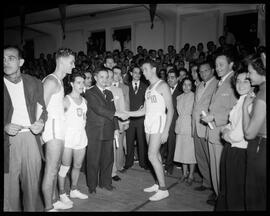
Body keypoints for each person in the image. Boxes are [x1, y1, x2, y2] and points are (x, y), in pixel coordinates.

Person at [4, 45, 47, 211]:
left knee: (32, 187)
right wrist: (5, 126)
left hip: (30, 138)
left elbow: (43, 109)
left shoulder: (34, 83)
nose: (5, 62)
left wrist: (41, 122)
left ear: (21, 61)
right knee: (9, 191)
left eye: (11, 58)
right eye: (3, 59)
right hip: (8, 142)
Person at [125, 59, 173, 201]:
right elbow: (144, 110)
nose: (142, 72)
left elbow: (170, 109)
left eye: (145, 69)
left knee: (151, 155)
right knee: (155, 154)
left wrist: (166, 130)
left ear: (153, 69)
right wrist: (127, 113)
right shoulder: (148, 88)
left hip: (159, 122)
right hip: (149, 122)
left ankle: (164, 189)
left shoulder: (162, 85)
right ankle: (158, 184)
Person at [201, 52, 238, 206]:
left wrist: (214, 117)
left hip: (222, 132)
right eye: (216, 65)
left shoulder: (234, 82)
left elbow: (235, 110)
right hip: (213, 132)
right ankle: (218, 196)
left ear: (231, 64)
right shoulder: (221, 81)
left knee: (221, 171)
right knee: (215, 170)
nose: (217, 68)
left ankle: (223, 199)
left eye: (221, 64)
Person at [215, 64, 253, 211]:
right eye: (238, 81)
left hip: (239, 152)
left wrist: (226, 134)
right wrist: (227, 131)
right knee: (226, 189)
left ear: (252, 83)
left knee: (235, 193)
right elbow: (230, 125)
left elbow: (238, 134)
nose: (241, 84)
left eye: (245, 81)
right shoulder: (241, 100)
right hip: (231, 149)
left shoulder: (249, 102)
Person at [84, 67, 128, 194]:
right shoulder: (90, 92)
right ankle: (92, 186)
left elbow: (112, 113)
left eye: (106, 77)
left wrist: (115, 128)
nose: (104, 80)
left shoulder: (109, 93)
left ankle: (106, 182)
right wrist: (119, 113)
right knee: (93, 160)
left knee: (108, 160)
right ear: (95, 78)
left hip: (108, 131)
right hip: (95, 132)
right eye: (101, 77)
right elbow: (99, 109)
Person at [42, 48, 75, 211]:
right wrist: (39, 133)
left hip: (60, 128)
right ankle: (48, 207)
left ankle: (54, 201)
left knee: (55, 168)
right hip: (53, 130)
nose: (73, 65)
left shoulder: (59, 82)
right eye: (71, 62)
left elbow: (53, 105)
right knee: (51, 169)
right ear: (61, 62)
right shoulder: (51, 81)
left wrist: (64, 106)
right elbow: (40, 107)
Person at [57, 72, 89, 207]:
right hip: (68, 139)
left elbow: (84, 119)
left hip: (81, 137)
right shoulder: (66, 100)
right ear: (71, 84)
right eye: (79, 82)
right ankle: (62, 193)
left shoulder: (84, 101)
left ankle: (74, 189)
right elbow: (58, 119)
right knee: (65, 167)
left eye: (83, 82)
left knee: (77, 166)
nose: (82, 85)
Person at [243, 56, 266, 210]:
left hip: (260, 147)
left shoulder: (263, 94)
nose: (248, 76)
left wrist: (245, 108)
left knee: (255, 198)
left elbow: (249, 134)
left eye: (250, 72)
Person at [192, 61, 218, 193]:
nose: (203, 74)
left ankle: (216, 187)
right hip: (196, 126)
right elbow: (195, 106)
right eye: (200, 71)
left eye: (206, 70)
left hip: (208, 127)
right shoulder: (200, 85)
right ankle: (207, 182)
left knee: (212, 159)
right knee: (200, 156)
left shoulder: (217, 84)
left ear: (212, 70)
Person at [122, 66, 149, 172]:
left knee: (142, 142)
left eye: (139, 73)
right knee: (129, 141)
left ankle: (143, 162)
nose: (137, 74)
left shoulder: (145, 86)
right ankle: (129, 162)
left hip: (141, 118)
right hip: (130, 119)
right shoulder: (126, 87)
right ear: (131, 73)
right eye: (135, 72)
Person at [174, 77, 196, 186]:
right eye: (184, 84)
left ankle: (191, 174)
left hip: (190, 126)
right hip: (180, 125)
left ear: (192, 86)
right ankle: (184, 173)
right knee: (182, 151)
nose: (186, 87)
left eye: (189, 85)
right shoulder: (178, 97)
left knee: (190, 152)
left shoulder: (195, 96)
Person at [105, 67, 127, 182]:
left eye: (110, 76)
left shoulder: (117, 90)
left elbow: (122, 108)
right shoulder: (96, 90)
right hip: (101, 125)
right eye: (106, 76)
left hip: (114, 124)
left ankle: (113, 172)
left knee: (113, 149)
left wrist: (123, 123)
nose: (108, 79)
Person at [161, 69, 182, 175]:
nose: (169, 79)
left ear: (178, 78)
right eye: (168, 77)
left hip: (174, 122)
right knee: (161, 144)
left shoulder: (182, 90)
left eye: (172, 77)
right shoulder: (164, 88)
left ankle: (169, 166)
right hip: (163, 121)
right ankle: (159, 164)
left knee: (171, 145)